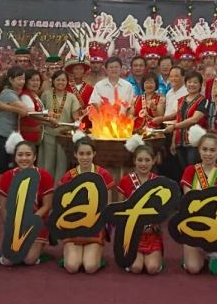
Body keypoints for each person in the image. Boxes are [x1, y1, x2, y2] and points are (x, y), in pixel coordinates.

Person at [180, 132, 217, 275]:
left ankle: (214, 252)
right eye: (204, 149)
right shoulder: (190, 170)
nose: (208, 154)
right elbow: (188, 199)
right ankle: (198, 252)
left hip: (215, 223)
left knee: (214, 271)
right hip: (193, 221)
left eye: (212, 150)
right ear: (199, 150)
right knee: (193, 269)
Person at [59, 138, 116, 274]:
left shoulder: (103, 175)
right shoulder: (68, 176)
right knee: (72, 267)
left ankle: (95, 254)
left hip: (94, 227)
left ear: (94, 154)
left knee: (90, 267)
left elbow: (107, 205)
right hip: (73, 227)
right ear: (75, 154)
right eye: (81, 154)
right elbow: (63, 206)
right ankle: (71, 254)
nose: (85, 157)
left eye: (88, 153)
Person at [0, 140, 55, 266]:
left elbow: (47, 206)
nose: (24, 158)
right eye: (20, 155)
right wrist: (11, 226)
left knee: (29, 259)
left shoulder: (44, 176)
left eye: (28, 155)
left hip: (37, 222)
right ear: (15, 157)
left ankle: (38, 247)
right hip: (15, 224)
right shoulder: (7, 176)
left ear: (34, 157)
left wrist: (30, 221)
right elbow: (3, 206)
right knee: (8, 261)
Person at [118, 144, 166, 275]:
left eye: (147, 160)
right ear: (134, 160)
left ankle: (156, 258)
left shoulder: (159, 182)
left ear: (153, 161)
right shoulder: (125, 181)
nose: (143, 164)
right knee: (136, 268)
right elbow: (121, 209)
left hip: (152, 235)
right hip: (132, 235)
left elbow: (163, 210)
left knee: (152, 268)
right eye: (140, 160)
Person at [0, 66, 33, 173]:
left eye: (23, 79)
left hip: (5, 135)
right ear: (11, 80)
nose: (22, 82)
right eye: (19, 79)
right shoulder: (8, 93)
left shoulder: (15, 94)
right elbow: (26, 110)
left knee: (6, 169)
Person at [40, 70, 82, 180]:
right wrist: (48, 119)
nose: (60, 82)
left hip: (64, 136)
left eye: (63, 80)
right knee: (47, 164)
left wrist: (79, 122)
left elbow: (76, 117)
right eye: (58, 80)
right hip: (48, 134)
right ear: (53, 81)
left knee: (62, 165)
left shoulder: (72, 97)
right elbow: (40, 114)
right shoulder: (46, 95)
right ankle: (46, 188)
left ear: (67, 82)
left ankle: (59, 188)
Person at [165, 70, 209, 170]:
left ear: (200, 85)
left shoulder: (203, 100)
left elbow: (194, 119)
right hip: (179, 141)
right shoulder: (181, 100)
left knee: (195, 169)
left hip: (194, 143)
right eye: (189, 82)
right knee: (184, 170)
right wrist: (173, 141)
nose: (192, 84)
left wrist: (174, 126)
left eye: (195, 82)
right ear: (185, 84)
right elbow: (178, 119)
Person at [18, 69, 46, 145]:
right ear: (26, 81)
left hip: (35, 136)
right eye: (32, 80)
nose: (36, 83)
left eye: (38, 80)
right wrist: (48, 120)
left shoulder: (34, 94)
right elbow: (32, 114)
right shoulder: (25, 96)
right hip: (28, 136)